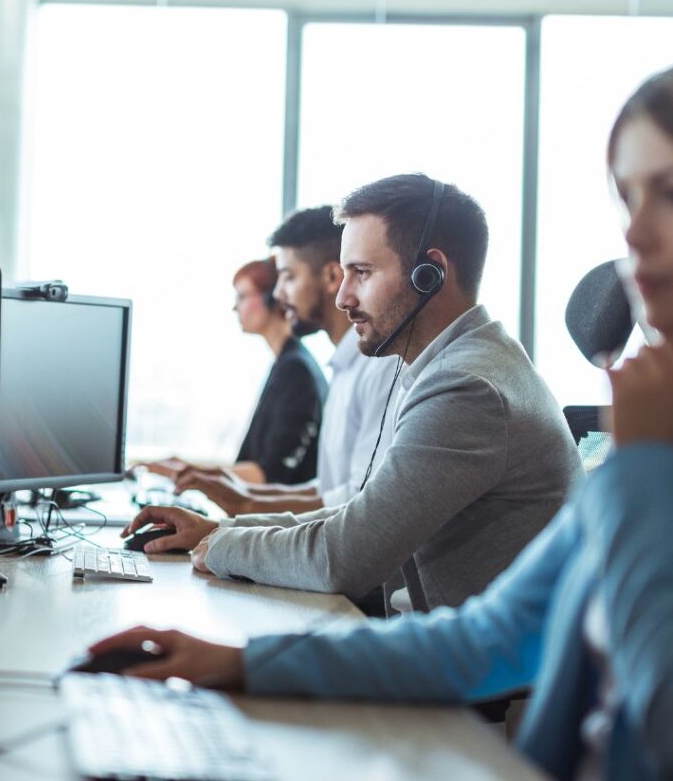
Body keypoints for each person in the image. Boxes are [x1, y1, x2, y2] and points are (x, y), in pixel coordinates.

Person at [94, 58, 673, 780]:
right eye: (627, 200)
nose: (634, 237)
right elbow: (489, 638)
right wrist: (239, 663)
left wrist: (644, 467)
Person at [121, 175, 584, 616]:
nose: (342, 298)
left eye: (361, 273)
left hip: (479, 683)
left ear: (431, 274)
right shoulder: (467, 362)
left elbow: (343, 557)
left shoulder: (466, 388)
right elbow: (361, 517)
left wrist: (219, 546)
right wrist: (222, 529)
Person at [165, 206, 400, 516]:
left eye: (288, 277)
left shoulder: (376, 366)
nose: (277, 293)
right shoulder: (341, 368)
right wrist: (236, 494)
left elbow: (357, 502)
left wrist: (240, 511)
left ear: (330, 276)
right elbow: (329, 490)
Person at [151, 257, 327, 487]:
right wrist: (187, 468)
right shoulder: (286, 363)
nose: (235, 307)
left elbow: (271, 473)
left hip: (280, 514)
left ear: (272, 298)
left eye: (242, 296)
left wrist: (189, 472)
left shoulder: (295, 370)